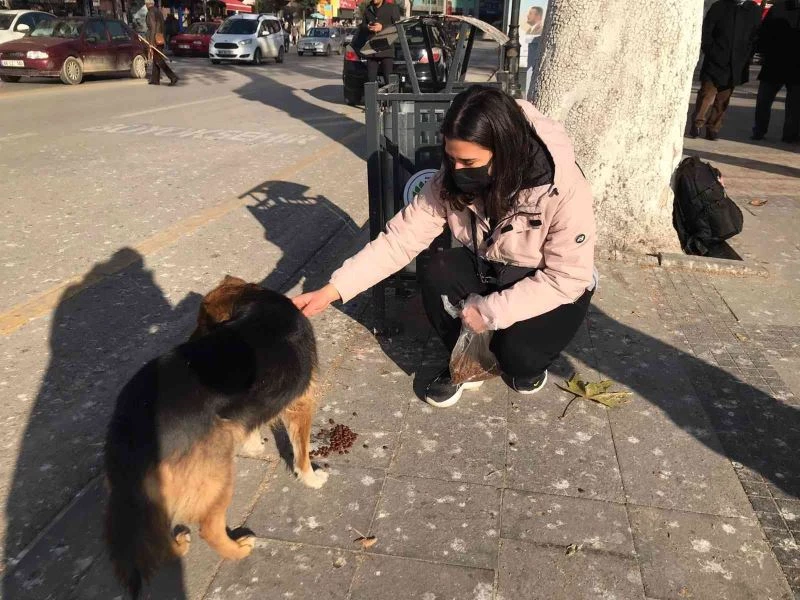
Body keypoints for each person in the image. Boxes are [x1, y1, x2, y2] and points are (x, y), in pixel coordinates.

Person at [294, 86, 596, 408]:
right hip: (487, 263)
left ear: (505, 151)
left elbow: (567, 277)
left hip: (547, 279)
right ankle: (468, 362)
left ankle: (522, 360)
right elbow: (400, 239)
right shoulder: (450, 179)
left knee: (517, 358)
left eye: (469, 161)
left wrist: (490, 311)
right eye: (451, 158)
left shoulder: (561, 188)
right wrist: (333, 290)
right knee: (435, 269)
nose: (457, 170)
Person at [690, 0, 761, 140]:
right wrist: (711, 50)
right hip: (715, 58)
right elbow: (706, 31)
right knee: (706, 93)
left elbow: (755, 36)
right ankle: (697, 123)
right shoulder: (720, 6)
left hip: (736, 62)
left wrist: (747, 55)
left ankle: (713, 128)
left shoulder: (753, 10)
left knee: (723, 98)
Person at [751, 0, 800, 143]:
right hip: (779, 63)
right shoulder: (778, 8)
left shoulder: (777, 8)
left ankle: (766, 131)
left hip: (781, 64)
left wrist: (763, 50)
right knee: (768, 101)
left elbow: (763, 32)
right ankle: (786, 134)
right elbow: (763, 32)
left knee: (790, 104)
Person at [361, 0, 400, 85]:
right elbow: (362, 27)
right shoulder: (368, 8)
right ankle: (372, 94)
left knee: (389, 81)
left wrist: (382, 27)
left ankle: (389, 94)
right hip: (371, 51)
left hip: (386, 49)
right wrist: (367, 27)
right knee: (370, 82)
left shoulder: (392, 8)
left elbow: (398, 27)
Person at [145, 0, 179, 86]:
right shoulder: (158, 11)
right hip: (160, 38)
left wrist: (151, 42)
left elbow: (153, 27)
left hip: (155, 39)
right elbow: (162, 26)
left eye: (145, 4)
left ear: (147, 4)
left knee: (159, 60)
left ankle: (173, 77)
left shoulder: (150, 12)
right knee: (156, 59)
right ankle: (155, 79)